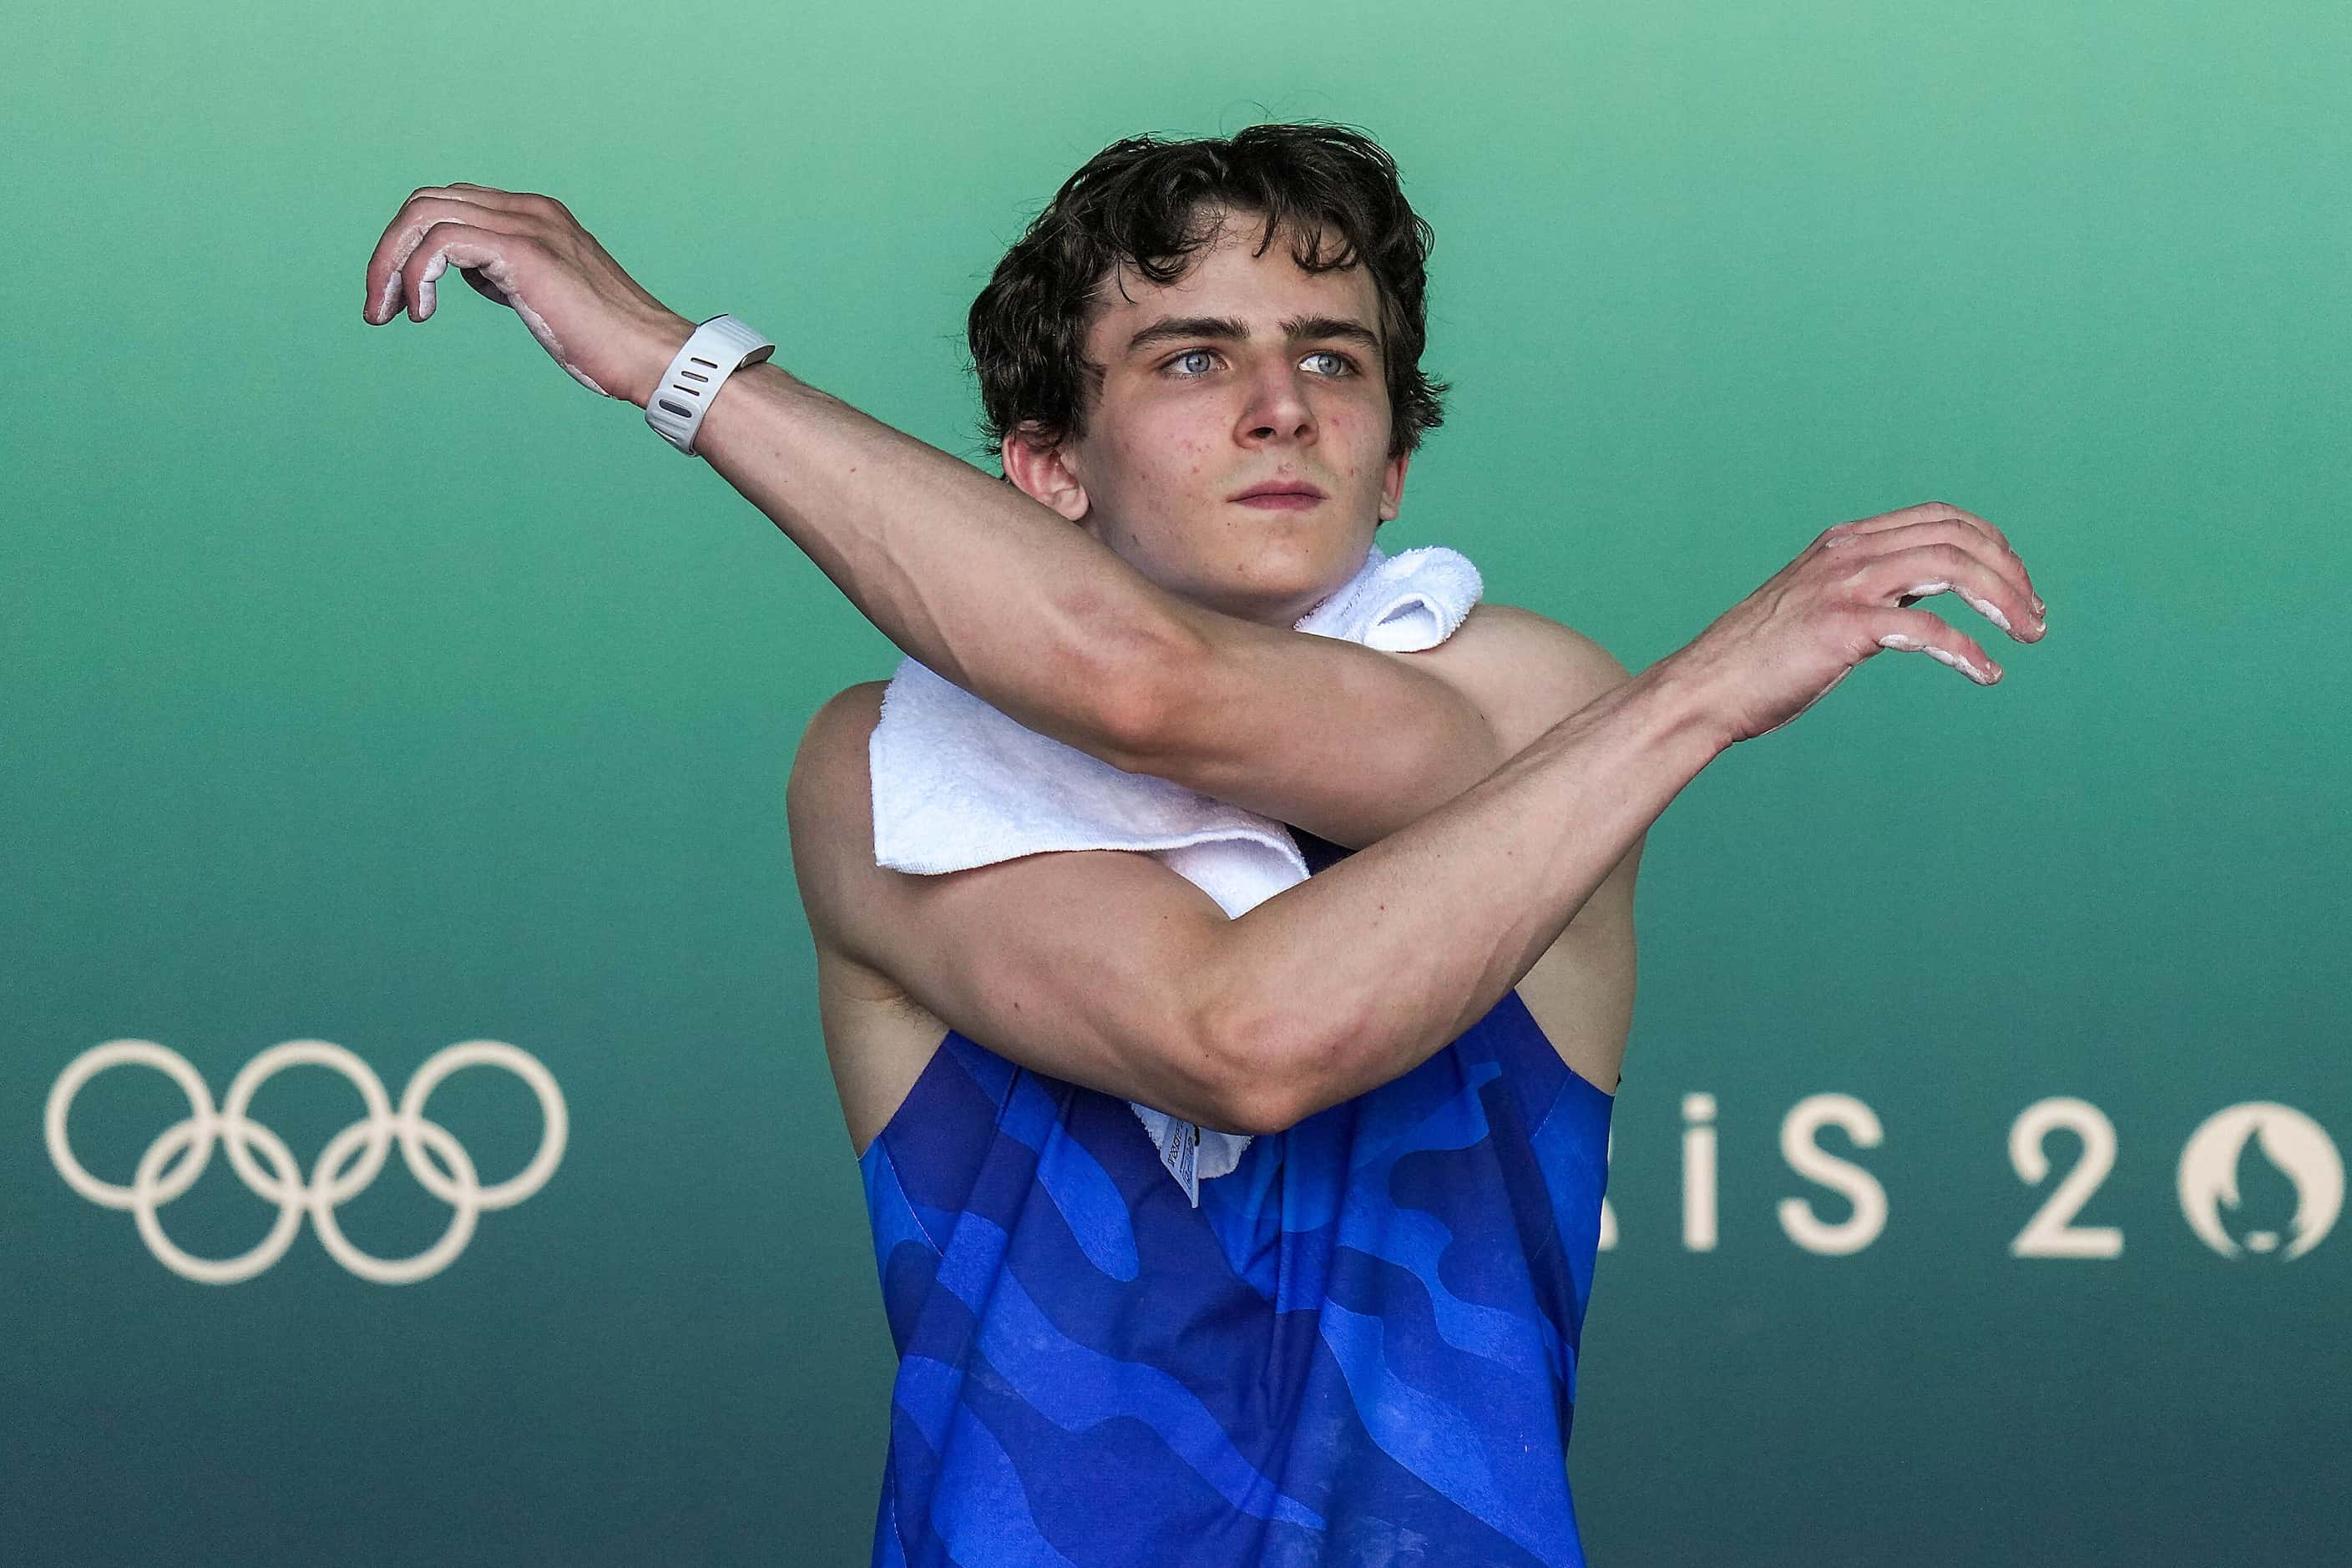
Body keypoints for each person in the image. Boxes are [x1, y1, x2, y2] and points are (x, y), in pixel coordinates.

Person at [363, 122, 2045, 1566]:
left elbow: (1163, 700)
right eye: (1189, 358)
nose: (1280, 408)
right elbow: (1235, 1024)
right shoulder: (882, 765)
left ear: (1393, 469)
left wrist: (1664, 708)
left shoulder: (1536, 701)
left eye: (1334, 358)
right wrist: (679, 364)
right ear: (1044, 470)